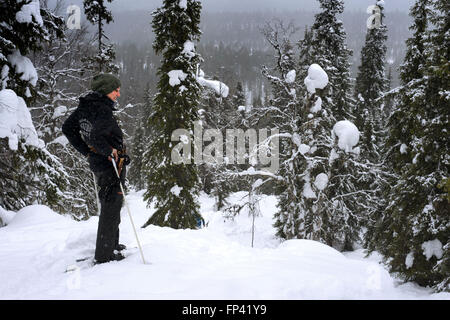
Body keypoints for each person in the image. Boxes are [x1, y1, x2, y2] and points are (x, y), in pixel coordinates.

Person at [62, 73, 130, 264]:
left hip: (99, 162)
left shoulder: (86, 106)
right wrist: (110, 151)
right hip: (110, 165)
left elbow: (68, 128)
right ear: (106, 90)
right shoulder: (101, 110)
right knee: (111, 206)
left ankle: (112, 243)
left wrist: (87, 151)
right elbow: (98, 137)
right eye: (116, 90)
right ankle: (104, 255)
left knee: (112, 204)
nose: (118, 94)